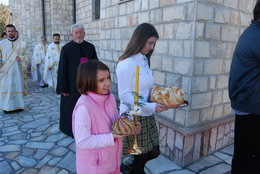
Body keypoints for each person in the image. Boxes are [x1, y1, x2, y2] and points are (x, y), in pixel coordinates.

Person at [116, 23, 168, 174]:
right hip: (134, 116)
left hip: (146, 114)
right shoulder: (127, 63)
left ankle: (129, 166)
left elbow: (145, 88)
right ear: (140, 40)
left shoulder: (144, 60)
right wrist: (151, 107)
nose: (152, 47)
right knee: (142, 157)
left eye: (154, 44)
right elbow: (125, 95)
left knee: (154, 152)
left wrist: (161, 98)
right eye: (150, 43)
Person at [73, 60, 126, 174]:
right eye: (101, 80)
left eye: (108, 78)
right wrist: (112, 137)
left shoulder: (109, 96)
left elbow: (114, 123)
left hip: (113, 161)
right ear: (88, 81)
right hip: (95, 168)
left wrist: (128, 124)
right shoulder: (84, 107)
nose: (107, 83)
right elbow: (82, 141)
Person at [229, 1, 260, 174]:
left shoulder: (252, 32)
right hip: (251, 107)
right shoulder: (257, 36)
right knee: (252, 158)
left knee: (243, 155)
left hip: (246, 104)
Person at [57, 24, 98, 137]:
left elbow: (95, 66)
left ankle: (90, 128)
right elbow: (62, 69)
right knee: (71, 107)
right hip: (71, 85)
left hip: (88, 84)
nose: (79, 35)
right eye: (76, 33)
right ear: (72, 35)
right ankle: (70, 129)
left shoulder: (90, 47)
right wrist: (63, 87)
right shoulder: (66, 49)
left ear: (84, 34)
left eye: (81, 32)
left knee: (88, 107)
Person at [0, 24, 29, 112]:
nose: (10, 33)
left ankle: (19, 106)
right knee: (7, 88)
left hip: (18, 70)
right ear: (6, 32)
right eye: (8, 31)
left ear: (15, 31)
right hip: (6, 71)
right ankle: (7, 107)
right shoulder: (1, 44)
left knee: (17, 86)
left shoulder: (22, 43)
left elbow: (27, 55)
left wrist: (22, 58)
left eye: (12, 31)